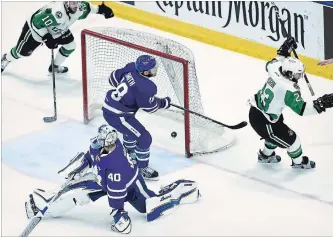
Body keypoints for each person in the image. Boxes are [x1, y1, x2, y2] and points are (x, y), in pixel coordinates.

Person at [25, 125, 199, 234]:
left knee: (150, 208)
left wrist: (118, 212)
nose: (103, 144)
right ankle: (47, 206)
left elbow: (117, 193)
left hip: (130, 187)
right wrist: (76, 170)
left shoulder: (116, 163)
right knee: (75, 193)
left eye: (106, 143)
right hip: (103, 180)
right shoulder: (98, 145)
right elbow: (89, 156)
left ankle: (180, 192)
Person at [248, 37, 333, 169]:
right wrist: (323, 103)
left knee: (276, 133)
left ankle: (265, 156)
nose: (300, 76)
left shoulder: (275, 68)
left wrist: (284, 48)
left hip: (258, 111)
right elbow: (302, 110)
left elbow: (278, 59)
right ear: (289, 73)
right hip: (264, 121)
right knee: (294, 142)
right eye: (298, 74)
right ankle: (299, 164)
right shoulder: (289, 89)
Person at [102, 55, 171, 180]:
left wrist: (130, 88)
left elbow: (112, 79)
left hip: (111, 105)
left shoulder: (131, 67)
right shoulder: (147, 87)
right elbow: (150, 108)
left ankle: (128, 154)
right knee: (145, 138)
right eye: (153, 69)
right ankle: (141, 168)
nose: (155, 70)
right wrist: (163, 103)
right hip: (118, 115)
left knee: (132, 130)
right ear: (145, 72)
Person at [1, 1, 114, 74]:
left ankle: (54, 67)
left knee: (70, 46)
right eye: (73, 3)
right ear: (66, 3)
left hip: (58, 30)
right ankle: (6, 58)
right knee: (22, 53)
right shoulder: (57, 13)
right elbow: (36, 22)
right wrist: (46, 38)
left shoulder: (78, 7)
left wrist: (101, 10)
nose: (76, 6)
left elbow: (88, 7)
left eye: (77, 2)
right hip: (35, 30)